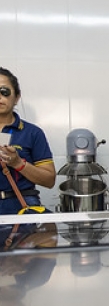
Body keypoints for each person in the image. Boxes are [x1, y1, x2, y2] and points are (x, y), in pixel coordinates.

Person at [0, 67, 55, 215]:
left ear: (17, 97)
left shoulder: (32, 133)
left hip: (22, 207)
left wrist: (18, 163)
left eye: (4, 91)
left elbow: (49, 180)